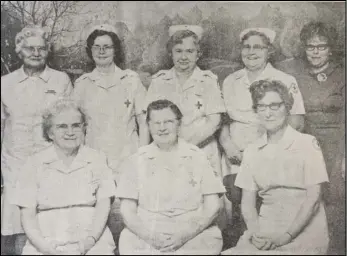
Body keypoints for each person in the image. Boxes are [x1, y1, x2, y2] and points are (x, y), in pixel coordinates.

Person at [219, 28, 306, 247]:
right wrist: (228, 145)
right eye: (246, 47)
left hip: (271, 154)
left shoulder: (284, 79)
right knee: (236, 206)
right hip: (235, 157)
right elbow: (223, 120)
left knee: (266, 210)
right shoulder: (231, 81)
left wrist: (269, 151)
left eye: (258, 47)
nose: (251, 52)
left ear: (269, 51)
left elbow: (297, 121)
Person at [222, 80, 329, 255]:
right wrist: (257, 234)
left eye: (274, 106)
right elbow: (248, 205)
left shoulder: (307, 143)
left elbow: (313, 199)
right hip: (266, 228)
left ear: (287, 108)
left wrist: (286, 237)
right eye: (261, 107)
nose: (268, 114)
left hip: (304, 230)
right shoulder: (252, 150)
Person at [144, 25, 228, 232]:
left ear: (198, 54)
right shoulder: (159, 81)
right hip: (166, 152)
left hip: (202, 151)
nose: (184, 57)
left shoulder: (208, 81)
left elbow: (214, 120)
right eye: (178, 51)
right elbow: (151, 118)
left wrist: (184, 145)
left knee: (207, 204)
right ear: (170, 53)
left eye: (190, 51)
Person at [71, 24, 149, 247]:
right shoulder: (82, 84)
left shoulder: (131, 80)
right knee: (97, 215)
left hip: (128, 155)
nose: (102, 51)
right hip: (94, 158)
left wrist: (141, 155)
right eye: (97, 47)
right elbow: (76, 126)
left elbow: (143, 122)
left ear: (115, 50)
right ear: (90, 50)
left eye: (107, 47)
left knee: (128, 214)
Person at [116, 99, 225, 255]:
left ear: (178, 124)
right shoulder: (137, 160)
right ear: (148, 126)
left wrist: (185, 235)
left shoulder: (197, 156)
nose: (162, 128)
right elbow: (127, 210)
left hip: (191, 232)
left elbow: (213, 205)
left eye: (168, 122)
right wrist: (150, 237)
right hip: (149, 231)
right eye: (156, 123)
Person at [11, 99, 116, 255]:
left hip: (92, 239)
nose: (70, 132)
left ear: (84, 129)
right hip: (45, 241)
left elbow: (103, 206)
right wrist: (44, 247)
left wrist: (89, 242)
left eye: (76, 125)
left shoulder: (97, 159)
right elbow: (28, 216)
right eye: (62, 126)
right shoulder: (34, 163)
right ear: (50, 133)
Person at [1, 26, 72, 255]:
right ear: (19, 51)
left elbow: (70, 122)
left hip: (51, 163)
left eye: (41, 48)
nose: (36, 53)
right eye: (30, 48)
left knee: (50, 224)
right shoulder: (5, 84)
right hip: (15, 164)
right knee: (19, 226)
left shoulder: (61, 81)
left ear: (47, 51)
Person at [276, 21, 345, 255]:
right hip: (304, 141)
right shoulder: (293, 72)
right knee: (304, 196)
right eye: (310, 46)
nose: (315, 52)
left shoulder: (342, 73)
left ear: (330, 49)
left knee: (335, 197)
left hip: (337, 144)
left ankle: (335, 249)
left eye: (321, 46)